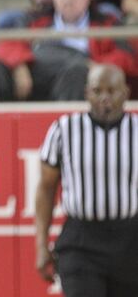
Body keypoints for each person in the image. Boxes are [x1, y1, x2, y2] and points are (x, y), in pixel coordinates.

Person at [35, 64, 138, 297]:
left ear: (126, 93)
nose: (104, 98)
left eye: (112, 91)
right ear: (86, 94)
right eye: (97, 90)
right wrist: (41, 245)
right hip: (81, 241)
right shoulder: (64, 129)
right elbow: (46, 188)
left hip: (131, 239)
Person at [0, 0, 136, 101]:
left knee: (77, 72)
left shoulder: (107, 23)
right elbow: (7, 44)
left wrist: (95, 67)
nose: (68, 0)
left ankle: (65, 124)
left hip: (77, 80)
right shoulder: (34, 19)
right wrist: (19, 65)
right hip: (34, 77)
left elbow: (126, 57)